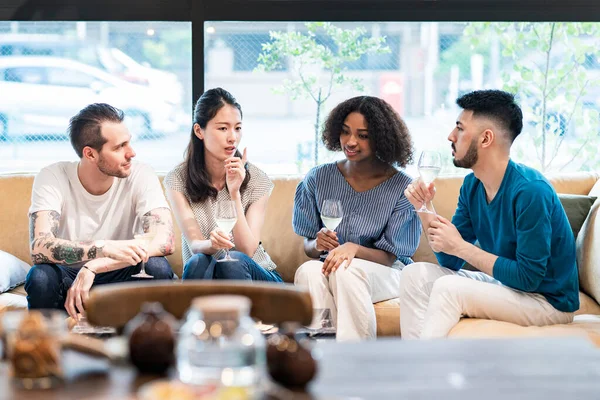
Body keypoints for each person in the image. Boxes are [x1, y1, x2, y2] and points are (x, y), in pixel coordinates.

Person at [399, 90, 579, 339]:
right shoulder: (472, 185)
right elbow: (449, 261)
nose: (450, 136)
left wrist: (461, 247)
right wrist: (424, 207)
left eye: (460, 129)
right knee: (414, 274)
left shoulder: (530, 191)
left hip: (548, 301)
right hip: (509, 288)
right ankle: (415, 362)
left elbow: (528, 278)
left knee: (450, 288)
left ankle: (424, 371)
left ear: (485, 139)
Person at [25, 103, 175, 320]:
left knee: (157, 268)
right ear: (90, 154)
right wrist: (104, 247)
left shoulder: (141, 173)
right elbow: (39, 247)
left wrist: (95, 265)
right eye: (119, 147)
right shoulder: (52, 177)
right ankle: (48, 347)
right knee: (40, 277)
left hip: (121, 270)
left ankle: (147, 346)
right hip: (69, 277)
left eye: (129, 142)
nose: (131, 153)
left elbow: (165, 240)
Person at [293, 96, 421, 341]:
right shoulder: (318, 178)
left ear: (382, 138)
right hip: (331, 267)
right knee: (308, 270)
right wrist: (317, 244)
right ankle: (324, 346)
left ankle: (357, 354)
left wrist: (353, 249)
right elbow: (309, 247)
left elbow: (389, 257)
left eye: (363, 135)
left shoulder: (403, 187)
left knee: (346, 272)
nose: (351, 142)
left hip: (387, 271)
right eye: (345, 132)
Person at [164, 88, 282, 282]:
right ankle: (195, 313)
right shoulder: (177, 179)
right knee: (198, 261)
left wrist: (234, 192)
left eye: (237, 128)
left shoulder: (257, 180)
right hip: (206, 272)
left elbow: (247, 250)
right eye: (223, 128)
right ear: (199, 130)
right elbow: (194, 244)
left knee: (232, 261)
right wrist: (212, 244)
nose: (232, 138)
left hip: (257, 275)